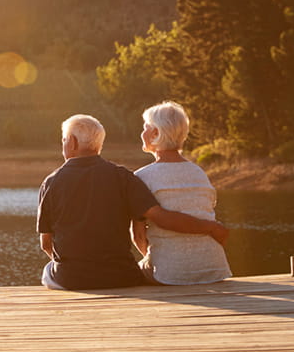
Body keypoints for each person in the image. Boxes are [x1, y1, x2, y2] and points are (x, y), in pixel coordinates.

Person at [37, 114, 228, 290]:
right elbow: (157, 218)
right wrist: (210, 227)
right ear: (99, 145)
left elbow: (46, 243)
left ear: (72, 142)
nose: (63, 144)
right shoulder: (124, 177)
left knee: (48, 271)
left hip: (72, 279)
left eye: (63, 140)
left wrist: (76, 268)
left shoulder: (51, 182)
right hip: (121, 276)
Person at [132, 101, 232, 285]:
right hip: (214, 269)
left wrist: (162, 261)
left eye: (145, 127)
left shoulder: (141, 177)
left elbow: (138, 236)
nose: (142, 133)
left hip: (169, 274)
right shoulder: (199, 173)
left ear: (155, 133)